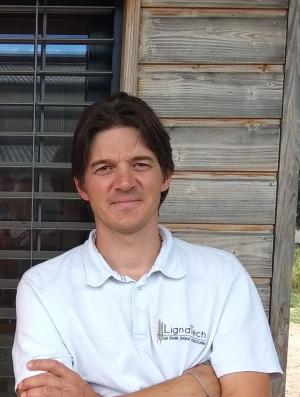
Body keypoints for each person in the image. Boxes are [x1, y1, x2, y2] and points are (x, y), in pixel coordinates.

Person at [12, 92, 282, 397]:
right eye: (104, 168)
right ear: (81, 186)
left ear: (165, 175)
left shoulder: (224, 276)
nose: (124, 182)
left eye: (140, 164)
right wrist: (194, 385)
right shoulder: (43, 288)